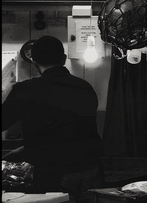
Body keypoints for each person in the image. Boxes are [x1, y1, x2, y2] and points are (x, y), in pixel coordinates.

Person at [1, 36, 102, 194]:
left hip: (53, 173)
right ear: (63, 59)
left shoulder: (26, 90)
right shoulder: (85, 87)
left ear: (34, 63)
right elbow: (71, 131)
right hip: (91, 171)